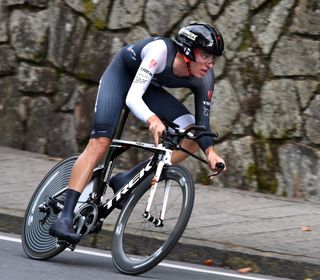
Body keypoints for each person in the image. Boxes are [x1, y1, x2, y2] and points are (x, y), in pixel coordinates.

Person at [49, 22, 226, 243]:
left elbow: (203, 124)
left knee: (191, 136)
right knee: (101, 142)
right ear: (188, 50)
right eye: (205, 55)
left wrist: (210, 152)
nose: (210, 63)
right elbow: (133, 97)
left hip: (149, 87)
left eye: (214, 58)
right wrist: (152, 119)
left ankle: (127, 178)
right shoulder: (159, 51)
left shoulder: (205, 78)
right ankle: (64, 217)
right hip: (121, 77)